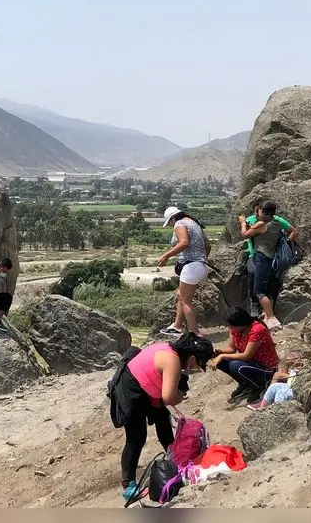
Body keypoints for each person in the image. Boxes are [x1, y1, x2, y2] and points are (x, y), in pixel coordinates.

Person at [109, 331, 215, 501]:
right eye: (197, 365)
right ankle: (128, 485)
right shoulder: (172, 360)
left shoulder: (171, 350)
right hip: (131, 388)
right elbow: (168, 398)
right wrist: (179, 395)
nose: (194, 368)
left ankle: (175, 462)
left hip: (146, 387)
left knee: (163, 422)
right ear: (193, 358)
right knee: (136, 437)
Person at [208, 307, 281, 405]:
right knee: (219, 359)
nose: (230, 328)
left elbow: (247, 355)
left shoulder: (256, 330)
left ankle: (259, 386)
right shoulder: (236, 330)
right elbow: (231, 349)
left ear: (240, 323)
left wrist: (222, 356)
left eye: (231, 325)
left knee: (235, 365)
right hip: (251, 364)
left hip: (266, 368)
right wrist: (217, 352)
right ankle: (245, 384)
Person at [158, 206, 211, 336]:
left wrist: (166, 256)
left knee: (186, 301)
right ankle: (177, 326)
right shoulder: (194, 223)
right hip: (200, 266)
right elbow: (208, 246)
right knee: (180, 296)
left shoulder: (180, 223)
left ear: (173, 218)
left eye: (170, 222)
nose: (171, 226)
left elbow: (184, 242)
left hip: (191, 266)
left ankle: (195, 333)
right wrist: (201, 259)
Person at [242, 199, 297, 319]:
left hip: (263, 257)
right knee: (254, 275)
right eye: (255, 211)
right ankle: (259, 308)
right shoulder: (274, 221)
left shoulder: (262, 224)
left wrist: (242, 224)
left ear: (264, 212)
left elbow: (245, 234)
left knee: (260, 289)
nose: (256, 214)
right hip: (263, 257)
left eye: (259, 211)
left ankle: (270, 316)